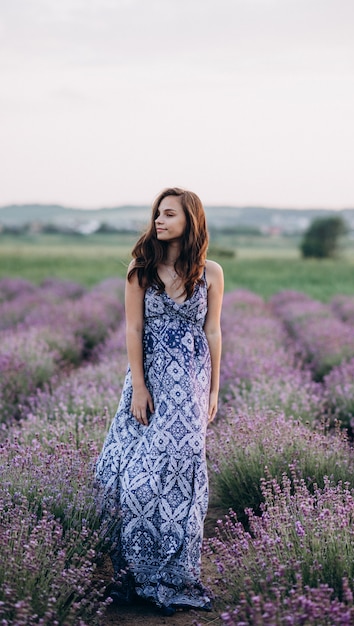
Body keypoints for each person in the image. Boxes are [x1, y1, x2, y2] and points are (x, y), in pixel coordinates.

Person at [95, 187, 224, 616]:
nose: (159, 221)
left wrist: (214, 389)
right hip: (149, 381)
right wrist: (139, 387)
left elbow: (213, 333)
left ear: (191, 220)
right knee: (133, 477)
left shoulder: (211, 274)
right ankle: (136, 572)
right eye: (157, 214)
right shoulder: (141, 269)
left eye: (169, 214)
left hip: (190, 384)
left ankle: (174, 573)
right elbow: (133, 331)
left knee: (182, 472)